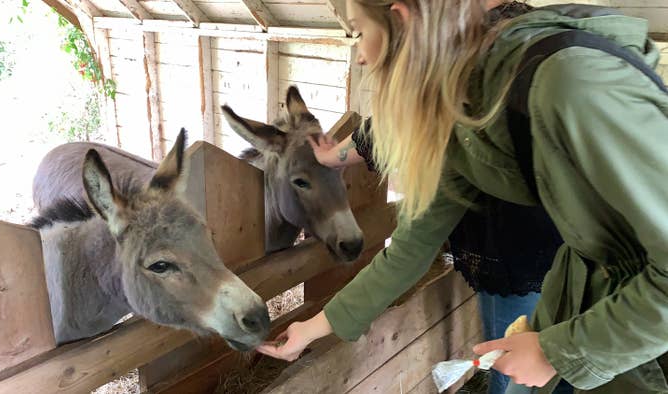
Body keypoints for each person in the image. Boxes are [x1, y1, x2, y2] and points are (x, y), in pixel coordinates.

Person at [257, 0, 668, 393]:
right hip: (601, 305)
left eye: (359, 32)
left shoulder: (568, 84)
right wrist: (314, 327)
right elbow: (411, 247)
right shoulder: (461, 109)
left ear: (401, 20)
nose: (360, 56)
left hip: (643, 326)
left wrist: (560, 351)